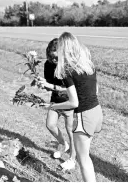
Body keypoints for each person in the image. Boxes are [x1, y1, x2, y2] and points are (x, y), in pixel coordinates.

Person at [42, 32, 103, 182]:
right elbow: (94, 91)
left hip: (84, 116)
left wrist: (53, 106)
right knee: (85, 156)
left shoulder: (67, 71)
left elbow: (74, 103)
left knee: (84, 161)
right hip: (97, 112)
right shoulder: (87, 65)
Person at [36, 38, 76, 171]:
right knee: (50, 124)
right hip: (55, 100)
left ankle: (72, 159)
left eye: (56, 58)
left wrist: (50, 85)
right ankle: (63, 144)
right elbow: (49, 86)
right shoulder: (48, 65)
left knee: (71, 131)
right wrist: (42, 84)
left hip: (68, 102)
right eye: (51, 57)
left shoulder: (68, 67)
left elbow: (70, 89)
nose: (53, 61)